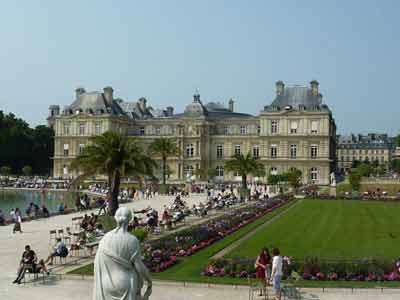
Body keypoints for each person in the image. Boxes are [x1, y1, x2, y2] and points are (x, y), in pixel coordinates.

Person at [93, 207, 152, 300]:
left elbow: (97, 264)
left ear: (116, 218)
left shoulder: (105, 238)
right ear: (130, 220)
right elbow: (139, 266)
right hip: (124, 283)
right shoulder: (132, 240)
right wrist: (149, 280)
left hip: (106, 283)